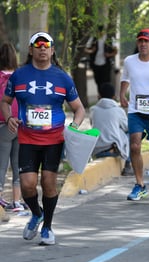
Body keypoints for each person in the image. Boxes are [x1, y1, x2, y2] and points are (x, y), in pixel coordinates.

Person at [0, 32, 85, 244]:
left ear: (52, 50)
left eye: (46, 45)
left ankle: (47, 226)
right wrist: (9, 117)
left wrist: (73, 127)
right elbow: (5, 101)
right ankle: (36, 214)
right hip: (27, 139)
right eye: (37, 45)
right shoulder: (19, 76)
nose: (42, 49)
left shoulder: (62, 78)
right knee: (28, 185)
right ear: (30, 50)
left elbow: (79, 109)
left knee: (48, 183)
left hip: (54, 140)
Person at [120, 28, 149, 201]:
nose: (143, 44)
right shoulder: (130, 61)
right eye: (140, 41)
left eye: (147, 41)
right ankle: (139, 184)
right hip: (135, 111)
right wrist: (122, 93)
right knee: (134, 146)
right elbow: (125, 78)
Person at [0, 42, 24, 211]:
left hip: (3, 125)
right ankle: (17, 202)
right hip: (21, 125)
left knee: (2, 165)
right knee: (18, 165)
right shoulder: (21, 77)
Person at [90, 82, 133, 175]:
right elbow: (127, 128)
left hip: (97, 150)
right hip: (113, 149)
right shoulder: (118, 110)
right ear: (114, 97)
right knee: (133, 133)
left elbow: (93, 125)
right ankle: (128, 164)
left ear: (99, 96)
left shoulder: (93, 110)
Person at [85, 25, 118, 90]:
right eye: (99, 32)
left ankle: (106, 95)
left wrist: (109, 54)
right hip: (95, 64)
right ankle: (100, 96)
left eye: (102, 32)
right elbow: (85, 49)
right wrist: (92, 51)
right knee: (98, 81)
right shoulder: (93, 39)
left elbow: (116, 51)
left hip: (106, 63)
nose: (100, 34)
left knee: (106, 81)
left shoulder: (109, 39)